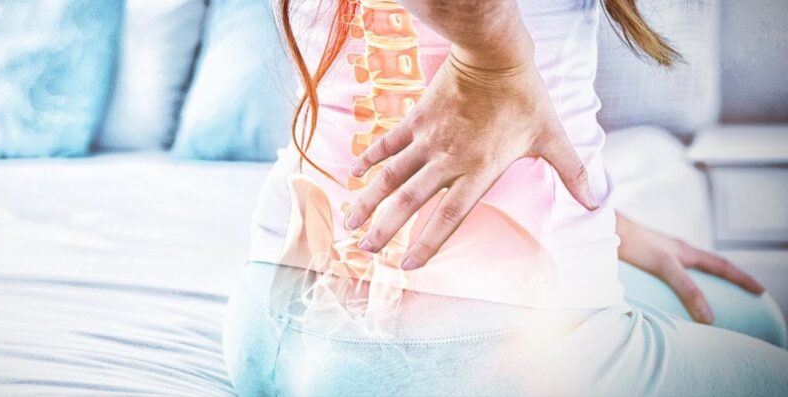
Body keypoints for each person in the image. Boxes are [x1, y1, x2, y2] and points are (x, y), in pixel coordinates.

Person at [224, 0, 788, 395]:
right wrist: (490, 62)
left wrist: (607, 224)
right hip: (470, 363)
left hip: (268, 324)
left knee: (751, 314)